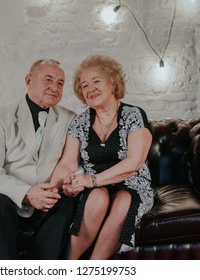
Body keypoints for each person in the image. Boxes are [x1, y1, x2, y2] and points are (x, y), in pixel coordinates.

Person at [50, 54, 154, 260]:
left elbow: (134, 162)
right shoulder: (80, 123)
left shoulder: (134, 115)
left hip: (133, 186)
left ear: (112, 83)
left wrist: (92, 180)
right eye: (85, 85)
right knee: (98, 197)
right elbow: (67, 163)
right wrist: (57, 188)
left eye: (96, 81)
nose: (90, 89)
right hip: (95, 190)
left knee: (124, 199)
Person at [0, 59, 76, 260]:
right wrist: (28, 193)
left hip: (49, 195)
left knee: (67, 203)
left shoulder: (69, 118)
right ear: (29, 81)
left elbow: (74, 161)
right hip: (6, 196)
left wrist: (67, 183)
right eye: (48, 79)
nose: (54, 86)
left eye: (60, 83)